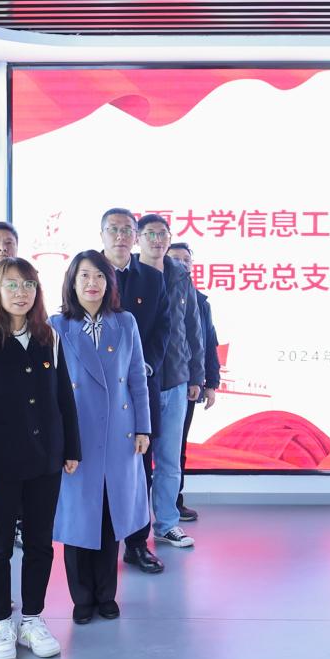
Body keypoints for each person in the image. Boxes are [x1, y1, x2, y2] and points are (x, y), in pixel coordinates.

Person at [0, 257, 78, 659]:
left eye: (28, 285)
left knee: (40, 544)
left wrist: (71, 449)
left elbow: (64, 398)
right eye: (11, 284)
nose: (21, 292)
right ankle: (0, 622)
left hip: (45, 461)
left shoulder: (49, 338)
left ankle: (32, 618)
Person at [49, 250, 153, 624]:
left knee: (111, 515)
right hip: (76, 434)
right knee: (79, 517)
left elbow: (137, 378)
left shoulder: (124, 322)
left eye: (99, 276)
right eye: (84, 276)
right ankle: (82, 598)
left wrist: (143, 427)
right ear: (72, 282)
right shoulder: (57, 325)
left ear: (109, 282)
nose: (92, 283)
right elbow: (51, 387)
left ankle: (106, 594)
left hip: (119, 433)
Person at [99, 207, 168, 575]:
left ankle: (138, 544)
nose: (121, 236)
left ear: (136, 236)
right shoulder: (88, 273)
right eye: (113, 229)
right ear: (102, 235)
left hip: (139, 388)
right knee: (99, 468)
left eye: (127, 229)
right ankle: (100, 542)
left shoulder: (152, 278)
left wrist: (145, 365)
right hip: (96, 390)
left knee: (141, 467)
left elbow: (162, 330)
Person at [136, 214, 204, 549]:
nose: (157, 240)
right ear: (138, 238)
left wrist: (197, 375)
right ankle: (134, 529)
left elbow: (194, 328)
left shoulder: (180, 275)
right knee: (135, 462)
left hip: (176, 380)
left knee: (169, 460)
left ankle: (166, 524)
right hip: (137, 383)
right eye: (150, 234)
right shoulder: (129, 275)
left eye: (162, 233)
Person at [167, 240, 220, 523]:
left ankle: (174, 503)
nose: (180, 264)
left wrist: (210, 381)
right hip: (151, 383)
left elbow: (208, 341)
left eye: (185, 260)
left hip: (185, 383)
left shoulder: (200, 301)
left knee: (177, 448)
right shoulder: (153, 292)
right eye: (174, 258)